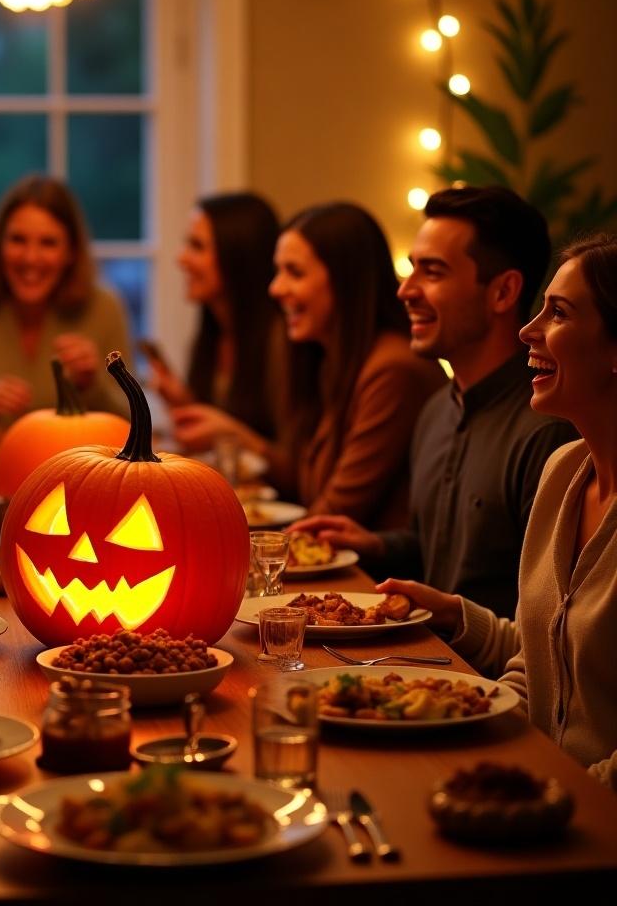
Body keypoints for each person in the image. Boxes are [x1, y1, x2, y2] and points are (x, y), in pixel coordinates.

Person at [377, 232, 617, 789]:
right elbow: (548, 662)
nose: (528, 330)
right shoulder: (565, 471)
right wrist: (458, 617)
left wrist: (558, 797)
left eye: (557, 313)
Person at [289, 187, 576, 617]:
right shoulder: (437, 410)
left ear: (503, 292)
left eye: (433, 272)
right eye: (411, 270)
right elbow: (435, 549)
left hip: (489, 678)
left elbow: (553, 618)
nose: (406, 291)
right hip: (424, 658)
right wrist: (376, 543)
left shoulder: (546, 429)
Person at [173, 202, 444, 528]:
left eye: (295, 273)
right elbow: (303, 479)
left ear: (346, 282)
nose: (276, 288)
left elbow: (336, 509)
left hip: (374, 575)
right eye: (278, 271)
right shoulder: (330, 358)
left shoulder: (392, 371)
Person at [0, 175, 132, 425]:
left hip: (76, 464)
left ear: (71, 252)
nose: (31, 258)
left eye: (48, 243)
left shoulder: (105, 308)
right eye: (18, 240)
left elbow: (133, 421)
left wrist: (92, 385)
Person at [150, 192, 281, 442]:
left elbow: (294, 466)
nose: (182, 258)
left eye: (197, 246)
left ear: (239, 255)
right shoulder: (212, 332)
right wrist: (185, 403)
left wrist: (233, 433)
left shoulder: (279, 340)